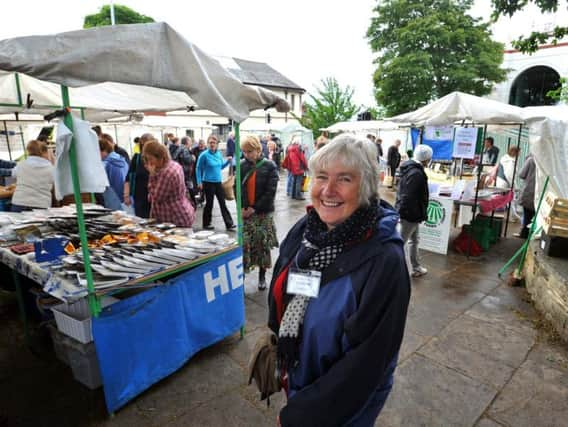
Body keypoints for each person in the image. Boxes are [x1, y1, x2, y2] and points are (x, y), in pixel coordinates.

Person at [267, 134, 410, 426]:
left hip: (343, 405)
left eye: (344, 179)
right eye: (321, 177)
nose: (328, 190)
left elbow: (367, 363)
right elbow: (283, 281)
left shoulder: (384, 260)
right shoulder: (307, 228)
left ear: (367, 187)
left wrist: (301, 414)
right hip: (298, 377)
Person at [240, 135, 279, 290]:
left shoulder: (270, 166)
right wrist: (242, 207)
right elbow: (239, 189)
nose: (246, 154)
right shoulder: (242, 165)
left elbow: (271, 192)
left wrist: (254, 208)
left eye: (249, 151)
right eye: (244, 151)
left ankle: (262, 277)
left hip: (263, 213)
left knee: (263, 245)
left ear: (257, 149)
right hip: (246, 213)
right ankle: (241, 277)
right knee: (244, 245)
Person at [396, 144, 433, 278]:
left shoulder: (411, 169)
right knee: (399, 243)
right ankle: (391, 271)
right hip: (410, 214)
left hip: (412, 213)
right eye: (429, 158)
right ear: (426, 159)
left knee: (414, 240)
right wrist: (403, 213)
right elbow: (408, 195)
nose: (430, 161)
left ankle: (416, 267)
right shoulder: (416, 173)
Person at [143, 140, 196, 227]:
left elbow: (155, 198)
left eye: (150, 159)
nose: (149, 163)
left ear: (160, 157)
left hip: (173, 218)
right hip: (180, 212)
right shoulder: (173, 164)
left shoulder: (167, 173)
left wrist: (152, 175)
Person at [195, 134, 236, 230]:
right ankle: (206, 223)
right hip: (208, 182)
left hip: (218, 182)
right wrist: (199, 181)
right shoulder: (204, 155)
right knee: (209, 204)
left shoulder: (218, 154)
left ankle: (229, 224)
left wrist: (228, 162)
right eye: (210, 143)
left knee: (222, 203)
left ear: (217, 144)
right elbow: (198, 168)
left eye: (213, 143)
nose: (212, 144)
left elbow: (220, 167)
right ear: (207, 144)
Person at [11, 140, 54, 211]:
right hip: (41, 204)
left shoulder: (21, 165)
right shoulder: (51, 169)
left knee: (18, 222)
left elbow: (13, 174)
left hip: (19, 203)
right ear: (44, 152)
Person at [124, 133, 153, 218]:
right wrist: (126, 196)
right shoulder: (137, 158)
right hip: (140, 198)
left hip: (154, 198)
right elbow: (128, 177)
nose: (145, 147)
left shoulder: (157, 158)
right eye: (143, 144)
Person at [100, 138, 128, 203]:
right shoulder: (122, 159)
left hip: (113, 200)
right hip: (125, 198)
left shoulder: (106, 164)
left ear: (103, 151)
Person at [516, 154, 536, 238]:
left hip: (529, 191)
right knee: (534, 216)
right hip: (541, 193)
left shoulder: (531, 159)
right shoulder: (549, 160)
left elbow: (521, 174)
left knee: (527, 215)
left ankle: (524, 234)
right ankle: (530, 234)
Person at [177, 136, 197, 207]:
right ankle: (193, 204)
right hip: (185, 173)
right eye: (190, 141)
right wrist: (192, 158)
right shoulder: (184, 149)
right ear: (187, 142)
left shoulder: (181, 148)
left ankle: (192, 203)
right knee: (189, 187)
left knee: (187, 188)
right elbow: (187, 159)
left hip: (183, 173)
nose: (191, 143)